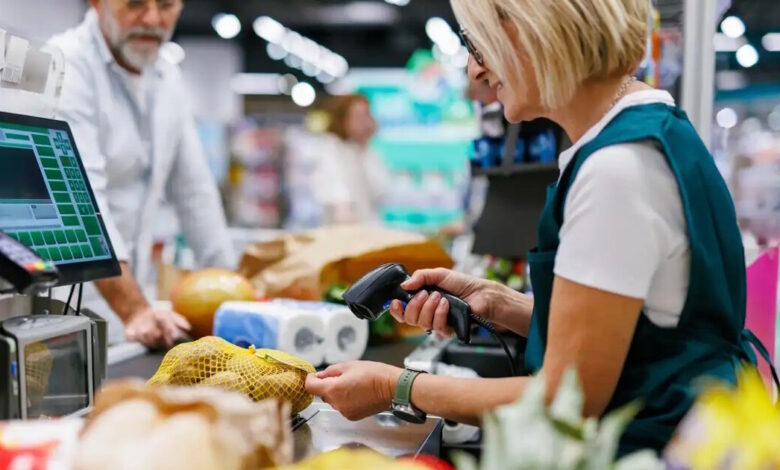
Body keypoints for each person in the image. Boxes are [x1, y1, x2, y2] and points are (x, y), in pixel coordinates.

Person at [305, 0, 776, 455]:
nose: (476, 71)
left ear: (531, 30)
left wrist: (397, 386)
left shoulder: (616, 171)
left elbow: (564, 401)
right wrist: (502, 304)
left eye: (478, 43)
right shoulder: (654, 132)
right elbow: (641, 334)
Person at [49, 0, 234, 348]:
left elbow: (196, 194)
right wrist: (133, 308)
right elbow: (80, 199)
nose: (152, 19)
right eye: (135, 3)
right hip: (64, 312)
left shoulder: (167, 76)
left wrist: (232, 298)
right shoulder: (64, 66)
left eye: (166, 5)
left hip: (134, 312)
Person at [311, 94, 389, 225]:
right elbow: (331, 181)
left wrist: (365, 147)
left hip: (368, 225)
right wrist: (342, 207)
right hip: (341, 227)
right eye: (357, 116)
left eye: (366, 115)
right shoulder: (331, 147)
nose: (363, 121)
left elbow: (380, 190)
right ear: (342, 119)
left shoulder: (367, 151)